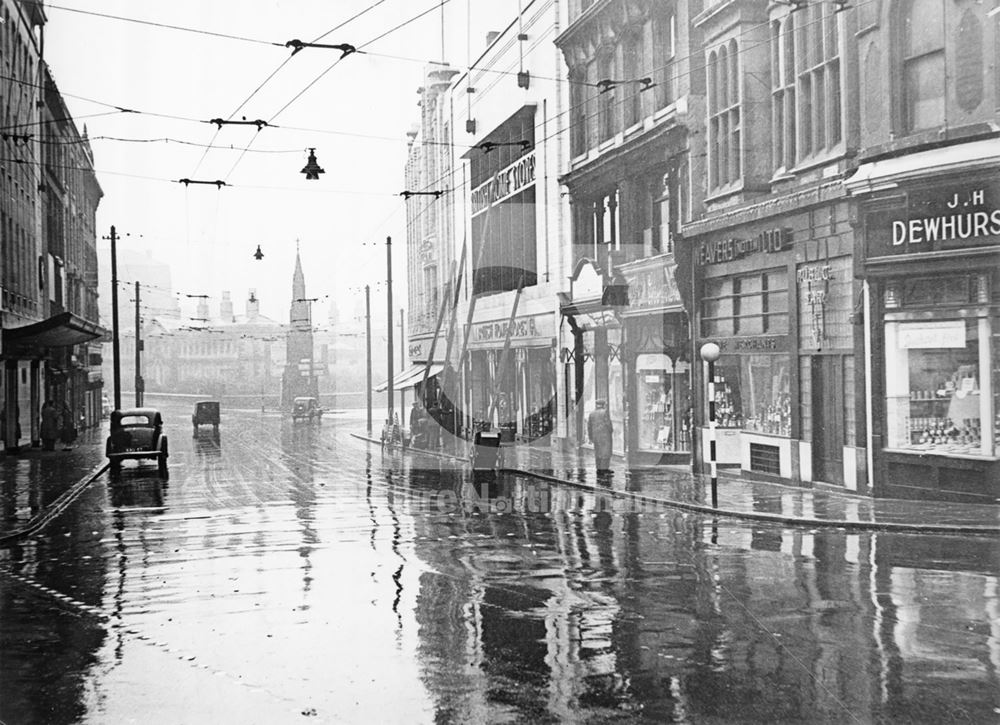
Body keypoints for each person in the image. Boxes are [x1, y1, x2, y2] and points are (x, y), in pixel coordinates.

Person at [587, 399, 614, 473]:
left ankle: (598, 468)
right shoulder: (605, 412)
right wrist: (611, 430)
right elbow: (608, 424)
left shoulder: (592, 413)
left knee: (598, 452)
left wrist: (591, 437)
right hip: (605, 436)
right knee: (606, 453)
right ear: (603, 405)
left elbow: (589, 426)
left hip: (596, 436)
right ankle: (605, 469)